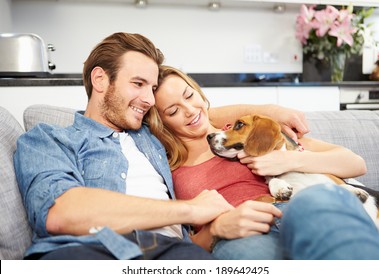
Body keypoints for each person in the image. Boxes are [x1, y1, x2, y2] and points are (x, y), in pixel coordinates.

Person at [13, 32, 308, 260]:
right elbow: (62, 212)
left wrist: (271, 110)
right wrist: (190, 210)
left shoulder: (152, 136)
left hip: (176, 255)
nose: (150, 100)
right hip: (91, 252)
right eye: (138, 84)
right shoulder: (49, 138)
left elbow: (199, 115)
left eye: (152, 89)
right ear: (100, 79)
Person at [147, 65, 379, 259]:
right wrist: (214, 231)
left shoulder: (252, 131)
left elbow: (355, 163)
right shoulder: (168, 165)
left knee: (323, 209)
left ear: (198, 91)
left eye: (189, 95)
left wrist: (288, 160)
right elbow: (179, 243)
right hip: (242, 232)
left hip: (299, 207)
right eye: (173, 111)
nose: (189, 110)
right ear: (162, 122)